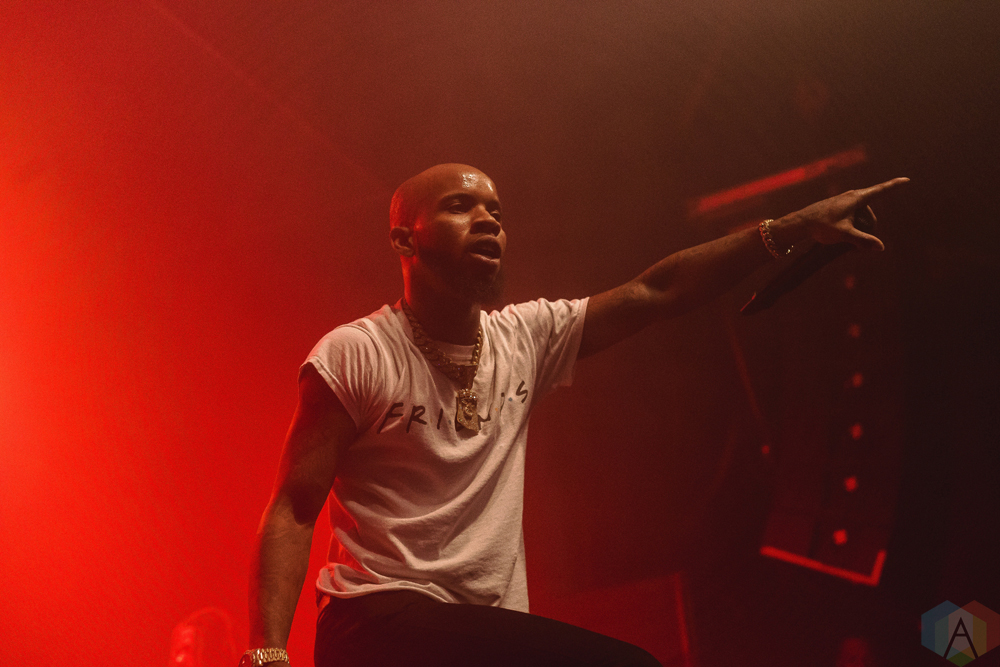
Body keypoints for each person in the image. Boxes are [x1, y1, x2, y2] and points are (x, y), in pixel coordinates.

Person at [242, 163, 907, 667]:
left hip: (485, 634)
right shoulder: (357, 352)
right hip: (377, 626)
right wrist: (267, 655)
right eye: (459, 206)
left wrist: (793, 227)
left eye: (496, 211)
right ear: (403, 239)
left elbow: (657, 290)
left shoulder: (524, 338)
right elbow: (294, 508)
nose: (487, 220)